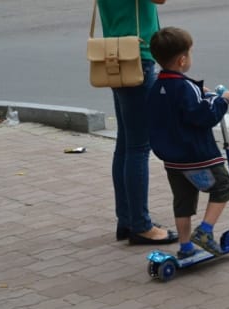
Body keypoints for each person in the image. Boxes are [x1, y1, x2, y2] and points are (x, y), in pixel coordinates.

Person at [148, 27, 229, 258]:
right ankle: (206, 230)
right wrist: (222, 101)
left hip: (172, 158)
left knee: (183, 200)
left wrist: (199, 92)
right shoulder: (186, 87)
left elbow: (176, 107)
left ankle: (186, 246)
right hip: (197, 155)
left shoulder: (156, 87)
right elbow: (203, 116)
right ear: (182, 59)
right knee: (223, 185)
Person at [97, 0, 178, 245]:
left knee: (125, 145)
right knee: (138, 148)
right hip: (137, 55)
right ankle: (141, 226)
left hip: (115, 53)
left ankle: (127, 219)